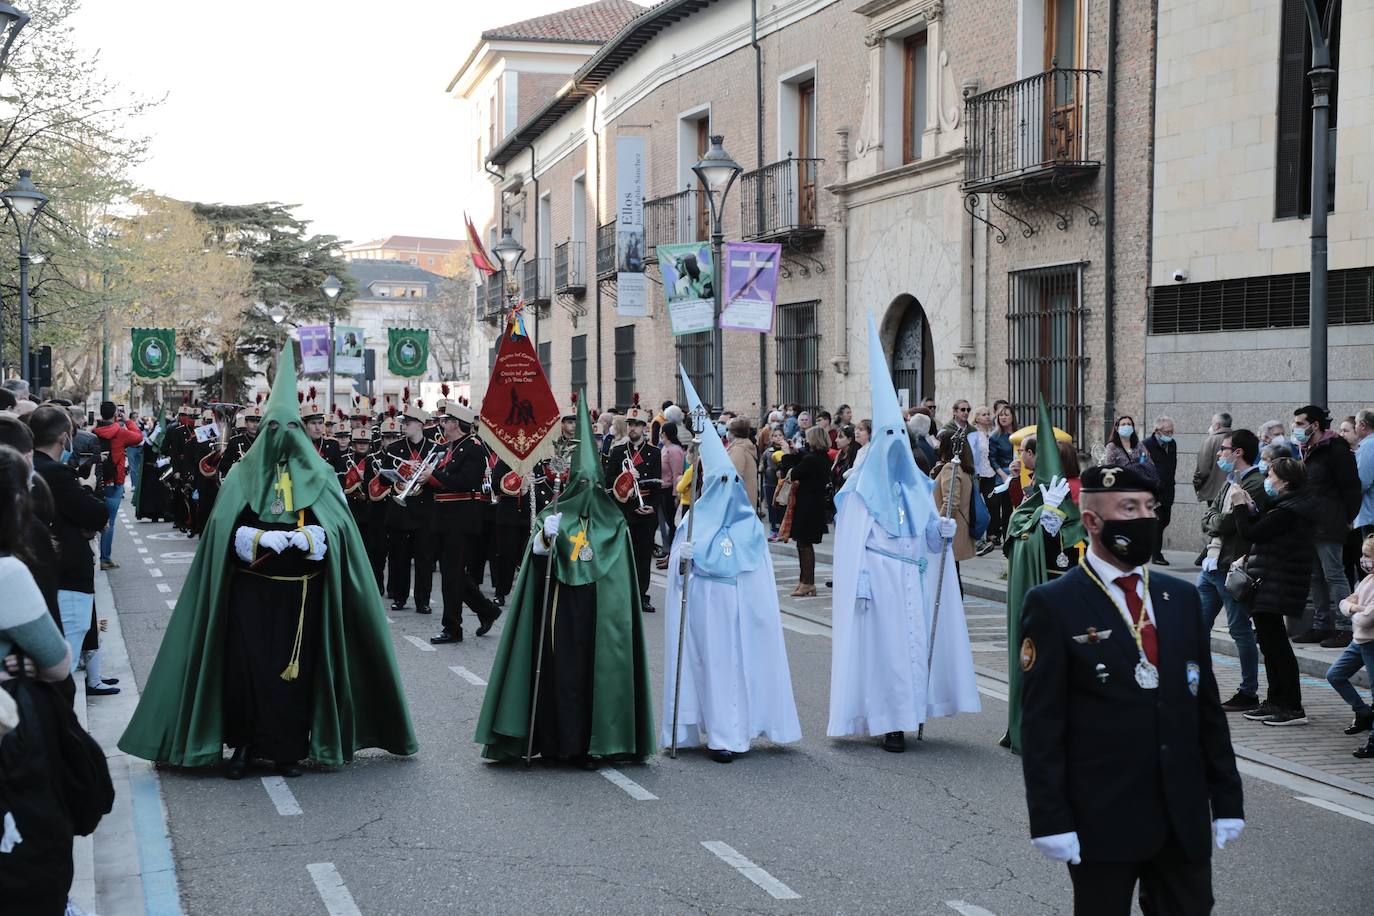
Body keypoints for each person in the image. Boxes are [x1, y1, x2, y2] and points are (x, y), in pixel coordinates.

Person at [118, 345, 417, 777]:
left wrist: (311, 538)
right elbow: (221, 530)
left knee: (294, 675)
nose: (280, 435)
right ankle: (244, 746)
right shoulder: (241, 474)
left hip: (303, 598)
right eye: (272, 427)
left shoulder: (323, 476)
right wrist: (254, 537)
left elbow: (338, 532)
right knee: (247, 670)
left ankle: (287, 750)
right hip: (250, 592)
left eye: (289, 427)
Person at [1020, 462, 1244, 914]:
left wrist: (1227, 796)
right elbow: (1042, 725)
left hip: (1181, 814)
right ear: (1092, 521)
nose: (1144, 517)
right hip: (1101, 815)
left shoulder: (1178, 598)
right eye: (1128, 507)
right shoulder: (1054, 604)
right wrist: (1050, 819)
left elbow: (1204, 708)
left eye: (1149, 506)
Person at [474, 397, 654, 766]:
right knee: (563, 679)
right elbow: (536, 564)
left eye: (592, 482)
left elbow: (623, 581)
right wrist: (542, 539)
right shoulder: (555, 517)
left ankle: (597, 743)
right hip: (560, 614)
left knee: (596, 679)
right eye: (580, 482)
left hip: (600, 620)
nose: (586, 488)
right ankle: (560, 743)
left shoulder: (614, 524)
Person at [828, 318, 978, 753]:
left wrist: (943, 532)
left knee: (912, 649)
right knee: (887, 654)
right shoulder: (858, 490)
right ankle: (889, 722)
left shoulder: (918, 486)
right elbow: (851, 545)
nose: (896, 446)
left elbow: (929, 539)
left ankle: (910, 712)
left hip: (911, 581)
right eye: (888, 435)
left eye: (901, 435)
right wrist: (857, 581)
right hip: (878, 583)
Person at [662, 371, 801, 762]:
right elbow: (678, 576)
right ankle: (712, 730)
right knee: (708, 668)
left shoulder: (751, 530)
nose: (725, 490)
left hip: (738, 614)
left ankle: (732, 734)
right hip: (705, 611)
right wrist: (681, 561)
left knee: (737, 671)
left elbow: (760, 579)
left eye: (730, 482)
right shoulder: (692, 522)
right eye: (717, 482)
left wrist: (755, 615)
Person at [1001, 400, 1082, 754]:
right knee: (1037, 659)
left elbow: (1086, 539)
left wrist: (1063, 518)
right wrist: (1041, 522)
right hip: (1039, 593)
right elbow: (1015, 539)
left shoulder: (1073, 500)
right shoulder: (1036, 501)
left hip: (1069, 593)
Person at [1224, 456, 1316, 727]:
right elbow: (1265, 533)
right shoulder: (1286, 506)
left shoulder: (1290, 511)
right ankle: (1275, 700)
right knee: (1269, 644)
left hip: (1277, 583)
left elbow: (1250, 533)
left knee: (1277, 647)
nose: (1267, 481)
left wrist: (1240, 507)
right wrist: (1253, 510)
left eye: (1271, 476)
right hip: (1270, 582)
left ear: (1285, 482)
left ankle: (1291, 706)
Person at [30, 406, 109, 685]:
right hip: (66, 576)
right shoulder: (54, 472)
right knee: (64, 667)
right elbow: (96, 514)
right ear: (64, 438)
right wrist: (86, 487)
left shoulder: (30, 467)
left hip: (47, 574)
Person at [1197, 429, 1266, 713]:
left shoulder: (1255, 482)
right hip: (1211, 563)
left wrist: (1217, 520)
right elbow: (1210, 517)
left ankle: (1248, 690)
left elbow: (1231, 524)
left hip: (1233, 568)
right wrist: (1217, 520)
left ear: (1237, 452)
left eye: (1223, 448)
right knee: (1196, 626)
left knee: (1240, 630)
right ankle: (1196, 683)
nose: (1219, 453)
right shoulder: (1229, 481)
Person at [426, 404, 502, 645]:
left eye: (446, 420)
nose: (442, 423)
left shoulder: (474, 448)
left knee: (452, 575)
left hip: (460, 519)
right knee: (454, 573)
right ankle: (487, 610)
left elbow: (466, 481)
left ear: (456, 423)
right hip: (445, 517)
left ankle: (452, 628)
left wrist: (434, 476)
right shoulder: (452, 447)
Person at [1289, 405, 1362, 648]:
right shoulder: (1307, 449)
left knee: (1334, 575)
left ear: (1315, 425)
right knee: (1315, 577)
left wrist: (1344, 517)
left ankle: (1345, 627)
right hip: (1308, 523)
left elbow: (1351, 488)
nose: (1295, 428)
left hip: (1329, 523)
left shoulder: (1335, 449)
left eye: (1300, 423)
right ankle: (1322, 625)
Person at [605, 409, 663, 612]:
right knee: (621, 555)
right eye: (630, 424)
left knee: (643, 556)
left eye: (637, 424)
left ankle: (641, 596)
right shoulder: (618, 452)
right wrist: (624, 477)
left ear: (644, 428)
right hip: (624, 510)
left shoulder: (654, 452)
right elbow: (607, 481)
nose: (632, 428)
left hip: (645, 510)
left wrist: (653, 508)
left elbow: (658, 486)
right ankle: (620, 594)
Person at [382, 403, 437, 614]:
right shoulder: (395, 449)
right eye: (404, 422)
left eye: (409, 422)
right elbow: (383, 479)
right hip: (400, 511)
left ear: (420, 425)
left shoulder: (435, 448)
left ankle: (422, 600)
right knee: (399, 558)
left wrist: (427, 475)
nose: (405, 425)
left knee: (424, 559)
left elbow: (440, 481)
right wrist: (401, 472)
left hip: (424, 512)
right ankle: (400, 596)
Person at [1327, 534, 1374, 759]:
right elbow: (1344, 604)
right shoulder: (1366, 581)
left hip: (1371, 642)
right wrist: (1355, 608)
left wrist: (1354, 609)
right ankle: (1363, 712)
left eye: (1367, 556)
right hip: (1359, 641)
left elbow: (1366, 619)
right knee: (1335, 675)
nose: (1363, 561)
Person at [779, 425, 832, 597]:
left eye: (808, 438)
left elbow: (791, 474)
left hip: (807, 507)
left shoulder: (813, 460)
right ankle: (805, 581)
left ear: (814, 440)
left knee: (804, 544)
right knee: (803, 544)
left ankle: (807, 582)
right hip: (813, 505)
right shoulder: (821, 457)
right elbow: (806, 459)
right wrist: (796, 452)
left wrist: (787, 454)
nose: (806, 441)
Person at [932, 429, 977, 573]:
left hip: (951, 532)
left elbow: (951, 502)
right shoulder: (958, 467)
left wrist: (939, 526)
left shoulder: (950, 468)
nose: (936, 444)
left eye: (939, 441)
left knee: (950, 578)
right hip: (956, 530)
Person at [1142, 416, 1177, 565]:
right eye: (1166, 432)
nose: (1169, 435)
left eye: (1171, 431)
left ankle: (1149, 548)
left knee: (1164, 521)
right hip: (1153, 490)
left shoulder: (1172, 444)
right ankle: (1156, 554)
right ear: (1157, 431)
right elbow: (1142, 467)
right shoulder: (1145, 445)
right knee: (1157, 522)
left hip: (1168, 489)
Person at [657, 421, 687, 569]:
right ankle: (668, 553)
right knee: (667, 523)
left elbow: (677, 473)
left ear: (665, 433)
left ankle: (672, 555)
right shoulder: (665, 448)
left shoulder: (674, 450)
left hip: (670, 490)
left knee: (672, 524)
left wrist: (676, 494)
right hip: (662, 489)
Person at [1103, 415, 1158, 487]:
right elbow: (1109, 468)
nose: (1126, 426)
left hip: (1139, 485)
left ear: (1133, 428)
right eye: (1123, 424)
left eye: (1129, 424)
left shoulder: (1139, 445)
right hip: (1121, 486)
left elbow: (1148, 463)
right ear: (1117, 428)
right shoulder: (1112, 447)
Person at [725, 417, 758, 509]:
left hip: (739, 500)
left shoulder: (738, 449)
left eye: (728, 429)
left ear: (734, 432)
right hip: (745, 497)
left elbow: (734, 475)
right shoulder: (744, 446)